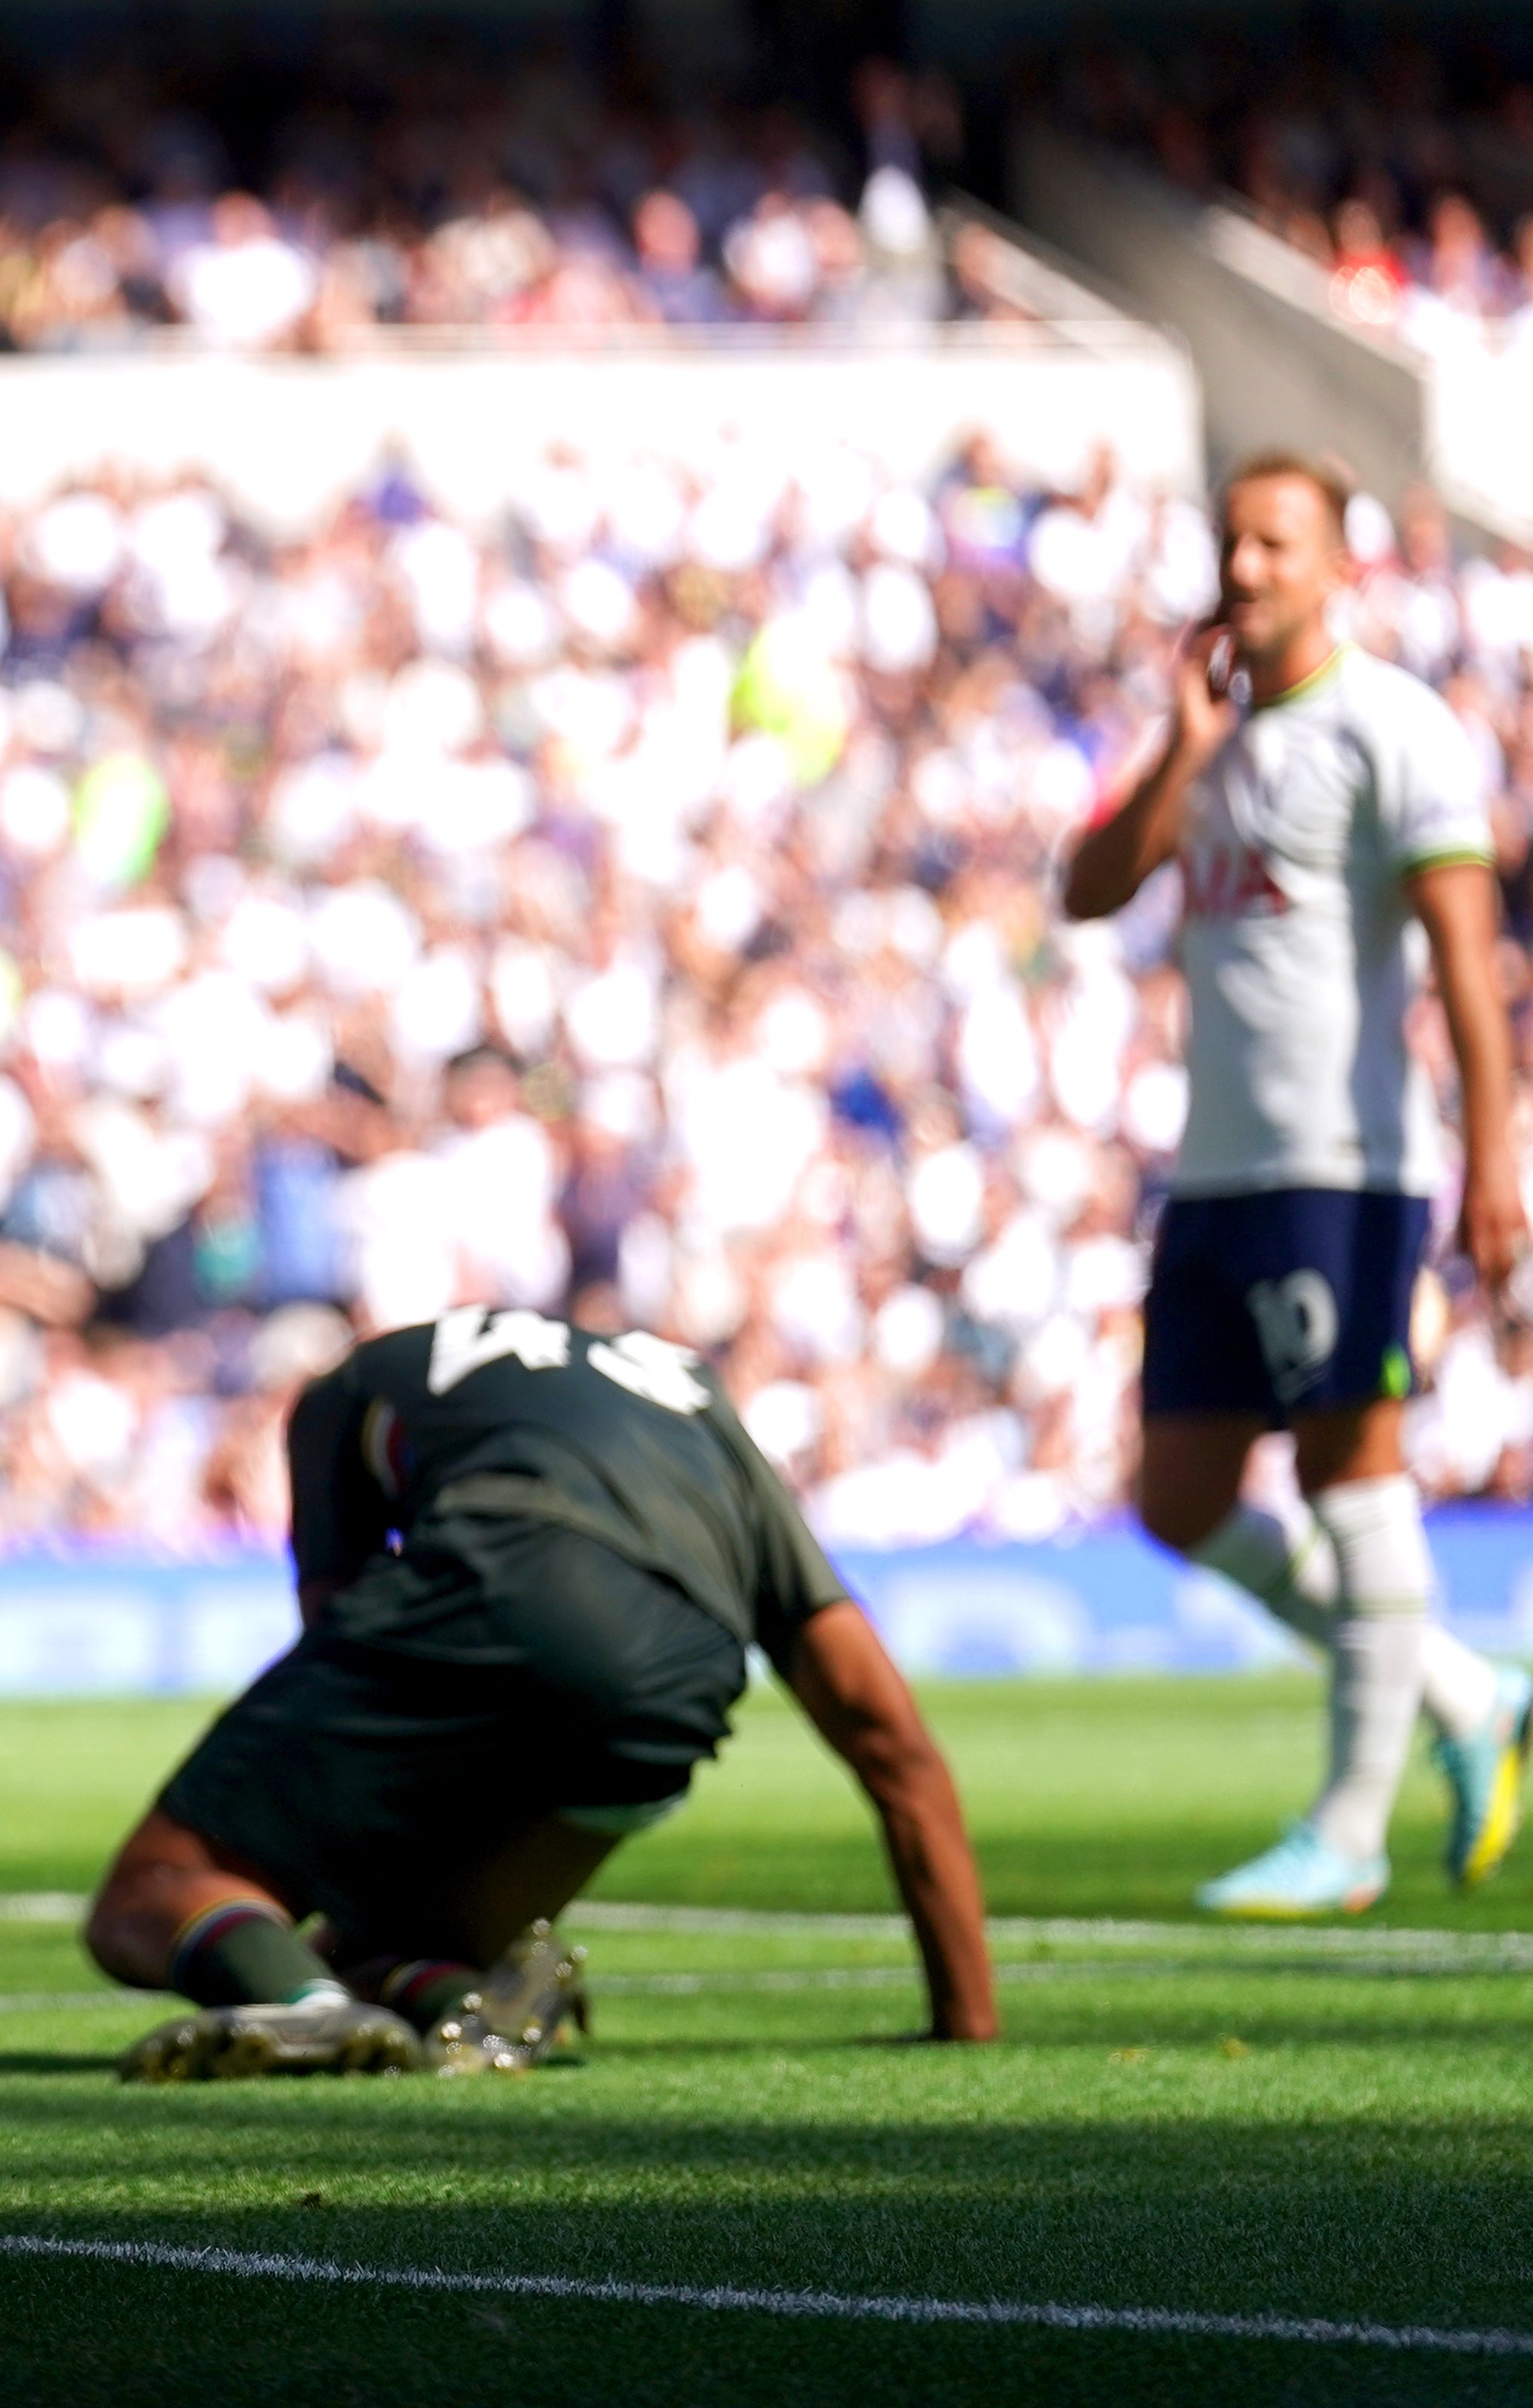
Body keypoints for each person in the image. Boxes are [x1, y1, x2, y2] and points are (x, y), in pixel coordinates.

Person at [86, 1308, 996, 2080]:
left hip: (499, 1571)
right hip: (679, 1682)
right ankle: (451, 1996)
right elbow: (890, 1742)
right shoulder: (697, 1405)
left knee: (155, 1887)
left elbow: (341, 1630)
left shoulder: (348, 1384)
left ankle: (305, 2003)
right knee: (384, 1933)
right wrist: (965, 2025)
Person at [1060, 449, 1533, 1916]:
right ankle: (1465, 1692)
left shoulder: (1392, 728)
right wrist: (1182, 752)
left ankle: (1345, 1832)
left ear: (1340, 566)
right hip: (1214, 1176)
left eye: (1276, 542)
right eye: (1232, 542)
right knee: (1180, 1498)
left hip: (1346, 1166)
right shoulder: (1204, 738)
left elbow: (1463, 952)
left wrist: (1495, 1151)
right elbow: (1083, 890)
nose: (1245, 567)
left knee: (1347, 1473)